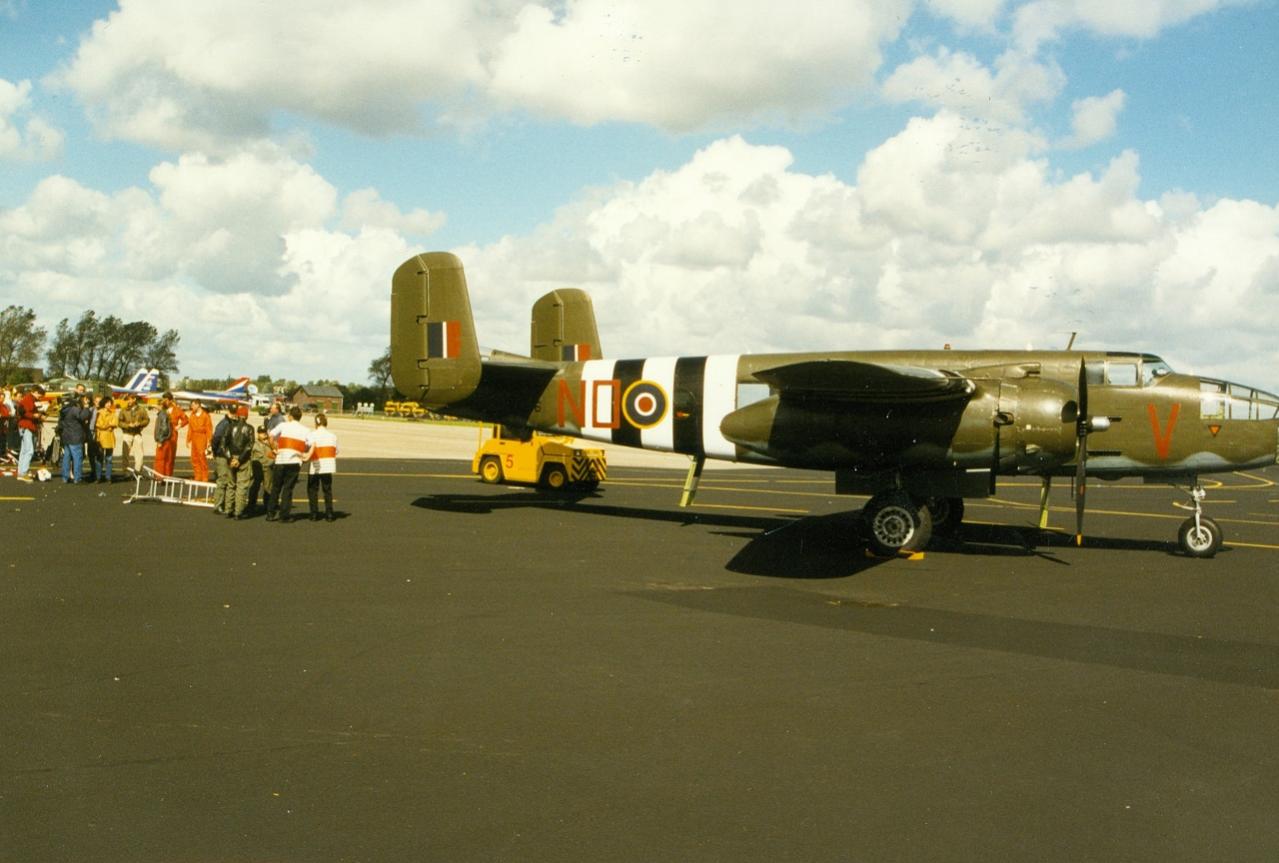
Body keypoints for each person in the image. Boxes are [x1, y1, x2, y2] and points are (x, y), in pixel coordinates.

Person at [266, 406, 309, 523]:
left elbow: (271, 435)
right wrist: (304, 454)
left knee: (276, 488)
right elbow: (309, 445)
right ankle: (284, 515)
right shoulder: (305, 430)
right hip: (294, 461)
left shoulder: (283, 425)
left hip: (281, 460)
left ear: (290, 416)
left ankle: (270, 513)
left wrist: (274, 448)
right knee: (288, 489)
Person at [303, 412, 338, 522]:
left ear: (316, 423)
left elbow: (306, 448)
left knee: (313, 490)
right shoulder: (333, 436)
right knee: (327, 490)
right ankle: (329, 513)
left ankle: (314, 513)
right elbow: (336, 451)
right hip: (328, 466)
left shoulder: (312, 435)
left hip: (315, 466)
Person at [223, 405, 256, 519]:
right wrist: (240, 459)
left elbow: (223, 444)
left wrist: (230, 458)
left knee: (231, 485)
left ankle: (228, 509)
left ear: (237, 414)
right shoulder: (249, 428)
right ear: (246, 416)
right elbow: (249, 446)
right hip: (243, 459)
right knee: (242, 486)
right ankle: (238, 511)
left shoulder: (229, 426)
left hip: (231, 457)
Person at [57, 395, 92, 483]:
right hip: (75, 436)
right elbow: (83, 416)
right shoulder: (74, 409)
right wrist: (86, 407)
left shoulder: (64, 410)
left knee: (67, 457)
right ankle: (77, 478)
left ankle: (65, 477)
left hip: (67, 436)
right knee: (77, 458)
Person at [154, 392, 187, 476]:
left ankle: (168, 476)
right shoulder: (162, 409)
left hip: (173, 436)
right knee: (160, 456)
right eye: (163, 400)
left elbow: (186, 419)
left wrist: (179, 426)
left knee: (170, 457)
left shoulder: (177, 410)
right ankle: (159, 476)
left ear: (171, 400)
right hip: (163, 435)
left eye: (166, 400)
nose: (164, 402)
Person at [15, 385, 44, 482]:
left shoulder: (28, 399)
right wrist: (35, 415)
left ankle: (21, 472)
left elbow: (23, 412)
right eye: (40, 395)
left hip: (25, 426)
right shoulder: (28, 400)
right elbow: (23, 412)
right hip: (27, 426)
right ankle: (24, 473)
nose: (40, 397)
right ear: (35, 392)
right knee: (29, 451)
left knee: (24, 451)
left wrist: (38, 415)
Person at [209, 406, 234, 513]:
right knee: (222, 480)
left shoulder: (232, 423)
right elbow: (216, 439)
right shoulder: (224, 424)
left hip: (229, 456)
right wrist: (216, 451)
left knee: (230, 480)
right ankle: (218, 505)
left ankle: (227, 505)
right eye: (233, 412)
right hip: (222, 455)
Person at [118, 393, 150, 474]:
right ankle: (125, 472)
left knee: (140, 454)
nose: (128, 401)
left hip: (137, 433)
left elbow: (147, 420)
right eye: (127, 400)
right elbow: (119, 422)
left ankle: (138, 471)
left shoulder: (141, 410)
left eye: (129, 399)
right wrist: (128, 425)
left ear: (134, 399)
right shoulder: (124, 410)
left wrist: (140, 424)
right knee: (125, 454)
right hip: (127, 433)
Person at [248, 425, 275, 514]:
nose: (263, 434)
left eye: (264, 432)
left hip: (268, 468)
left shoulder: (270, 443)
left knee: (268, 487)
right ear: (258, 434)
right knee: (255, 486)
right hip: (258, 468)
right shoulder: (254, 444)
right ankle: (251, 504)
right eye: (261, 433)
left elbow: (275, 452)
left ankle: (267, 506)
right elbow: (251, 456)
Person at [186, 399, 213, 482]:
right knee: (194, 458)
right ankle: (197, 475)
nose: (192, 407)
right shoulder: (192, 415)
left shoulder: (205, 416)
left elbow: (209, 429)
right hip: (194, 437)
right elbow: (190, 429)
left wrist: (209, 441)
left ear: (198, 405)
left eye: (193, 405)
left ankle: (204, 476)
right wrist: (188, 440)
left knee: (202, 457)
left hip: (202, 437)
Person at [94, 396, 119, 482]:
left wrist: (108, 425)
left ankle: (108, 477)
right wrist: (109, 425)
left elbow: (115, 423)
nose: (109, 404)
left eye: (110, 403)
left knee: (109, 459)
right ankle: (98, 477)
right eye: (107, 403)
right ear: (103, 403)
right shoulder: (99, 413)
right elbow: (99, 424)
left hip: (110, 437)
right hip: (101, 438)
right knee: (99, 458)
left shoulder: (112, 413)